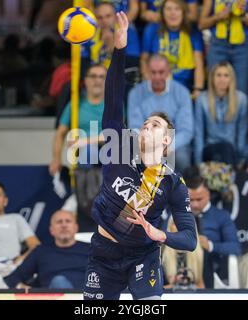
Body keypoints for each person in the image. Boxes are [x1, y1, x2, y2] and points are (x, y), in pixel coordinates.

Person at [83, 12, 197, 300]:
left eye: (155, 125)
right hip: (104, 253)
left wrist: (163, 236)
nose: (147, 126)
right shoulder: (118, 148)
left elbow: (190, 239)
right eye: (145, 123)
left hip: (142, 255)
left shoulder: (172, 181)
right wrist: (119, 50)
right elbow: (113, 98)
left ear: (167, 140)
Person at [49, 64, 107, 231]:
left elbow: (115, 133)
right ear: (86, 81)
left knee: (89, 151)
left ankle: (83, 198)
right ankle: (85, 199)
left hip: (107, 151)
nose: (97, 81)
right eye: (93, 76)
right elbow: (60, 133)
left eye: (102, 77)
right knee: (87, 153)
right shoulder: (75, 104)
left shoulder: (114, 104)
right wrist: (56, 159)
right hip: (82, 156)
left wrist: (86, 141)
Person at [128, 54, 194, 172]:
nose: (157, 77)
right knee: (131, 156)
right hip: (146, 144)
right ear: (148, 72)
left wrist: (165, 146)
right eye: (153, 72)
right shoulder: (136, 94)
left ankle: (182, 190)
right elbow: (135, 128)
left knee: (181, 158)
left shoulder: (182, 92)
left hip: (174, 144)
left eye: (161, 72)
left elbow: (186, 130)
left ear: (168, 71)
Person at [5, 210, 90, 289]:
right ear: (51, 230)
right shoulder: (41, 252)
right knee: (59, 281)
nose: (64, 225)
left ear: (76, 228)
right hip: (53, 296)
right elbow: (13, 278)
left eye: (68, 221)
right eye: (59, 222)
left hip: (85, 297)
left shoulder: (91, 250)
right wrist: (24, 288)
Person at [185, 172, 241, 288]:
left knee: (203, 252)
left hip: (212, 268)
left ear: (208, 194)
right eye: (191, 200)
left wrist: (210, 246)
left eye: (199, 199)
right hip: (181, 265)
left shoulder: (222, 216)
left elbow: (235, 247)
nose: (195, 205)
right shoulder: (178, 216)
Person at [198, 0, 248, 100]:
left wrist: (242, 14)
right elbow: (201, 24)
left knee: (242, 91)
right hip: (218, 44)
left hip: (243, 46)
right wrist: (217, 16)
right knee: (215, 88)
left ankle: (242, 116)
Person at [141, 0, 205, 96]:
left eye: (177, 9)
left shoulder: (193, 32)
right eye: (168, 9)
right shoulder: (151, 29)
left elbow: (199, 63)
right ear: (162, 13)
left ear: (183, 12)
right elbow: (144, 60)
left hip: (185, 88)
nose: (173, 13)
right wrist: (149, 85)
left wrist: (198, 89)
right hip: (158, 87)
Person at [194, 61, 248, 167]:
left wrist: (242, 159)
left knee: (226, 150)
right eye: (218, 75)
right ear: (212, 78)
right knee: (219, 154)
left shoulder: (241, 99)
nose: (222, 79)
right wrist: (198, 162)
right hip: (209, 148)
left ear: (231, 79)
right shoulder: (202, 99)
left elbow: (242, 132)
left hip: (231, 150)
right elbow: (199, 133)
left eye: (226, 75)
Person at [162, 217, 205, 289]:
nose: (180, 228)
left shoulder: (201, 254)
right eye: (175, 224)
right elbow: (155, 290)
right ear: (169, 227)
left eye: (185, 225)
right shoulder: (161, 254)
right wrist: (174, 286)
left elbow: (205, 288)